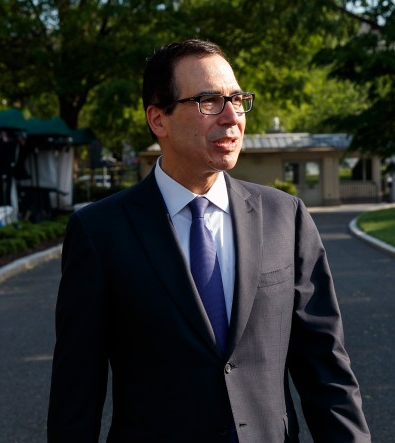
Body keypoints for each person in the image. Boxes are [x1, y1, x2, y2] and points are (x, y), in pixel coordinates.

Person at [47, 38, 371, 442]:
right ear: (158, 118)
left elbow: (326, 367)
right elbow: (77, 389)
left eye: (237, 99)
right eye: (208, 101)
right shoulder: (100, 231)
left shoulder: (284, 216)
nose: (231, 116)